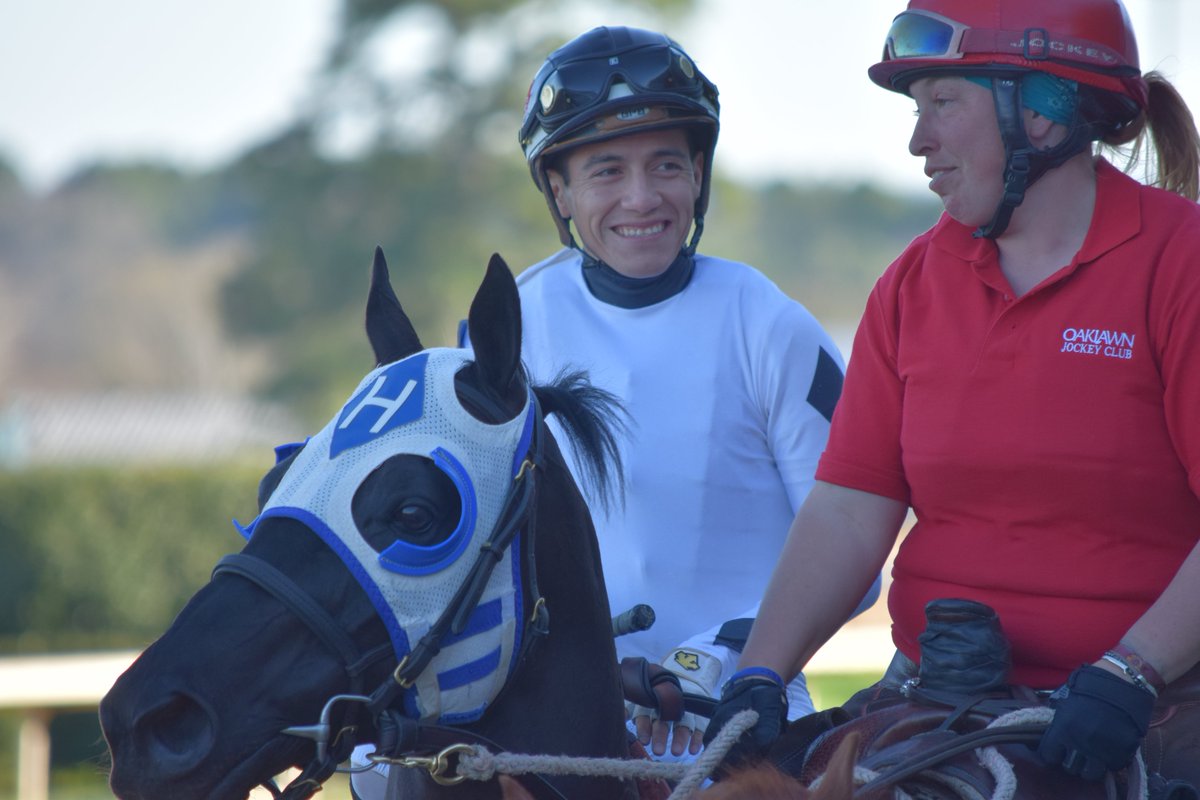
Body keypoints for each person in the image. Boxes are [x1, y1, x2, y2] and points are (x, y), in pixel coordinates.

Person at [704, 0, 1200, 786]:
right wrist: (758, 675)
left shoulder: (1181, 265)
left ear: (1043, 111)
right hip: (939, 695)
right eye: (915, 107)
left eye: (943, 102)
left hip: (1148, 709)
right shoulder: (912, 283)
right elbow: (848, 506)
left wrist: (1130, 673)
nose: (917, 140)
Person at [513, 25, 879, 761]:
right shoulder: (516, 318)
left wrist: (721, 657)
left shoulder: (770, 323)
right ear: (559, 188)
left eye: (667, 166)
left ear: (699, 176)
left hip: (747, 710)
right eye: (607, 171)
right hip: (567, 716)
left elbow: (858, 549)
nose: (642, 198)